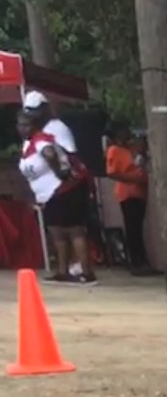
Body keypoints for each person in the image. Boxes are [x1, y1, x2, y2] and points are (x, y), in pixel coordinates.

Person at [16, 110, 93, 284]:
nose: (22, 128)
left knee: (74, 230)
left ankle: (86, 273)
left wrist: (60, 173)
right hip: (49, 194)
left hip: (65, 189)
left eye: (26, 124)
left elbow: (50, 154)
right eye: (20, 124)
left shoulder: (41, 140)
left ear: (35, 125)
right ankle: (62, 271)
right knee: (56, 231)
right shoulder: (27, 145)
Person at [106, 124, 153, 273]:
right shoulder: (114, 150)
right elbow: (112, 172)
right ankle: (136, 262)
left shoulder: (130, 149)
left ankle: (142, 260)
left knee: (138, 227)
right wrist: (131, 179)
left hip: (139, 192)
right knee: (133, 228)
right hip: (128, 193)